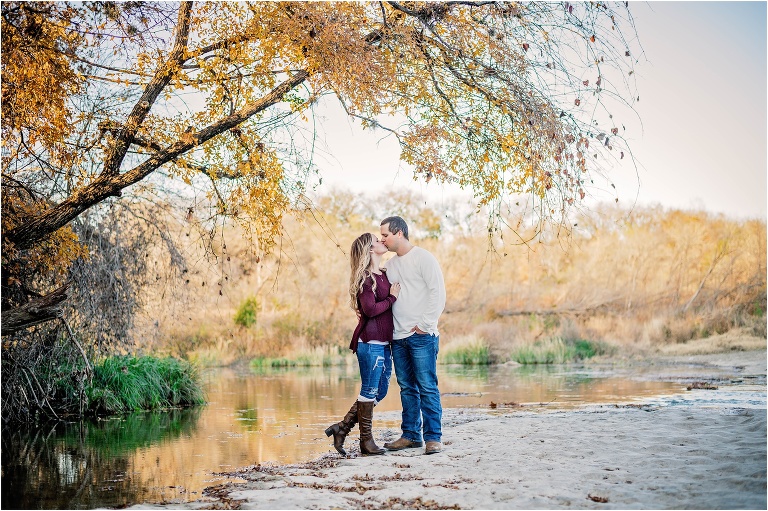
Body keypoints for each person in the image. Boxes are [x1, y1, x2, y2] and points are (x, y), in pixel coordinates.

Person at [325, 233, 400, 456]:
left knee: (382, 390)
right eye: (377, 240)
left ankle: (343, 427)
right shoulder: (366, 279)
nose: (382, 242)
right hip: (370, 342)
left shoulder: (383, 274)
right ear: (369, 249)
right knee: (369, 390)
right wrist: (392, 298)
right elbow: (370, 310)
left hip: (384, 342)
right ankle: (366, 442)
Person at [379, 216, 446, 455]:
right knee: (407, 387)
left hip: (422, 335)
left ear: (399, 233)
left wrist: (425, 325)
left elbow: (438, 293)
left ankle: (433, 438)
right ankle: (410, 435)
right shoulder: (392, 265)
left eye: (385, 235)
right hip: (398, 337)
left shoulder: (424, 258)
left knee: (427, 386)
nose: (382, 239)